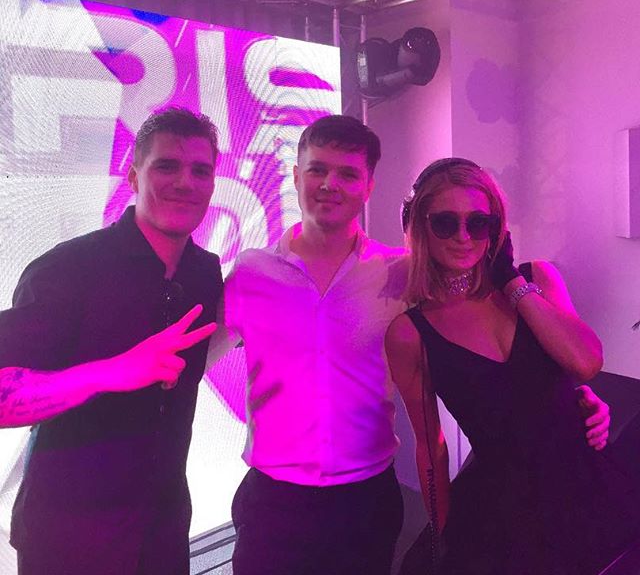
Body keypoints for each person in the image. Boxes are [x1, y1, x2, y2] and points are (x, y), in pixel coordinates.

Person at [208, 118, 612, 575]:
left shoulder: (400, 274)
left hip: (365, 497)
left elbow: (547, 355)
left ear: (368, 187)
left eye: (348, 174)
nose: (330, 184)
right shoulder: (252, 272)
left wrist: (574, 397)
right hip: (275, 496)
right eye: (317, 169)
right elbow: (193, 363)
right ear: (297, 176)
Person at [385, 157, 640, 575]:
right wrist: (441, 535)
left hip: (589, 486)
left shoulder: (536, 279)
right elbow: (431, 446)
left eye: (478, 223)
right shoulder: (410, 332)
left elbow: (585, 363)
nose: (464, 237)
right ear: (420, 227)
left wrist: (511, 282)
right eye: (446, 223)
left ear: (496, 227)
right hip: (505, 510)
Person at [0, 107, 222, 575]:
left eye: (201, 171)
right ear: (133, 175)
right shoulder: (69, 268)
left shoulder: (205, 273)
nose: (185, 182)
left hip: (162, 535)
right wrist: (110, 372)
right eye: (167, 166)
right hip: (67, 540)